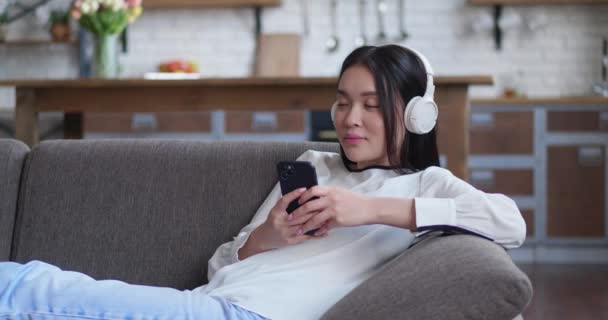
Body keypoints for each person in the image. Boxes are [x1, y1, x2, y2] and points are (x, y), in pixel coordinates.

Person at [0, 45, 526, 320]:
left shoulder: (428, 185)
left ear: (414, 115)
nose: (349, 118)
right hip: (212, 303)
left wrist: (367, 211)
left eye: (370, 105)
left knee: (29, 290)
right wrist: (265, 239)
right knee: (29, 282)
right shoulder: (312, 167)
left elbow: (508, 222)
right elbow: (221, 266)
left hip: (258, 316)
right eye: (342, 101)